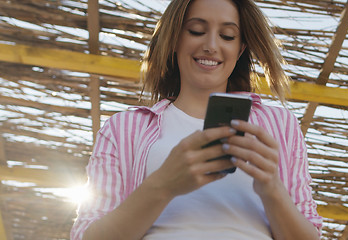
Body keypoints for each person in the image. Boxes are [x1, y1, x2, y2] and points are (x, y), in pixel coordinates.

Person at [70, 0, 323, 239]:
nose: (211, 45)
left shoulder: (280, 124)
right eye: (196, 31)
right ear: (174, 40)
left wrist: (272, 189)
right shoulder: (124, 128)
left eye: (227, 36)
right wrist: (163, 184)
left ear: (240, 49)